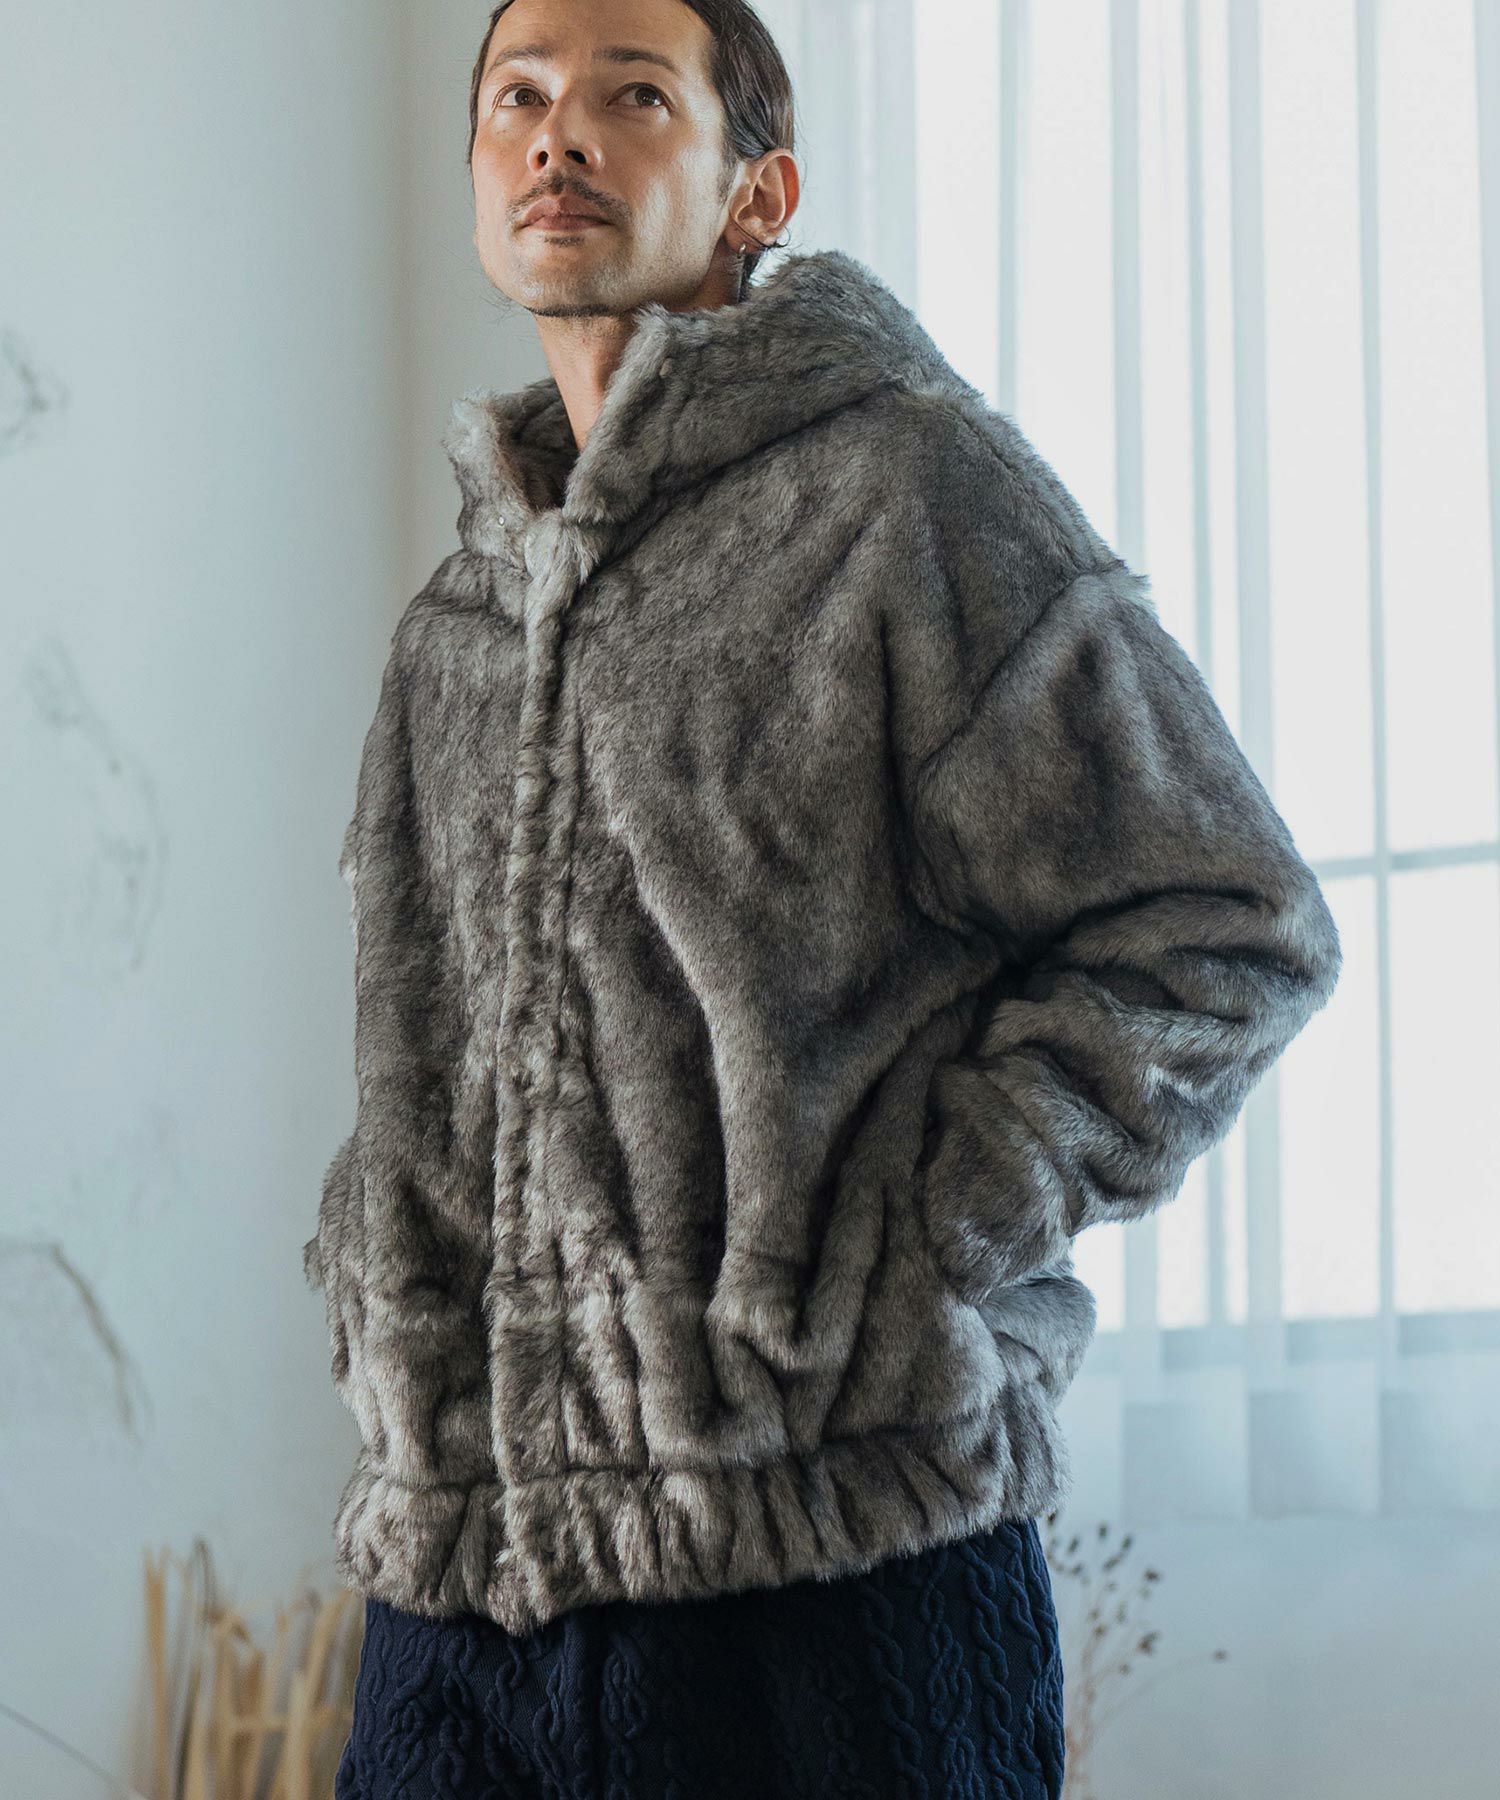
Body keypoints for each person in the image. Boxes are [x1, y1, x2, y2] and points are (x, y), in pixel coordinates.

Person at [307, 0, 1344, 1794]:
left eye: (635, 95)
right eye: (517, 97)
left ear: (755, 192)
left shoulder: (906, 494)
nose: (558, 134)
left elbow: (1226, 925)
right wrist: (368, 1277)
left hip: (833, 1577)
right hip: (457, 1596)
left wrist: (917, 1239)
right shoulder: (451, 631)